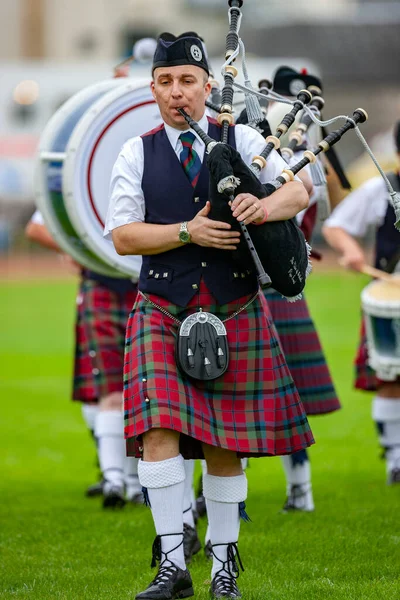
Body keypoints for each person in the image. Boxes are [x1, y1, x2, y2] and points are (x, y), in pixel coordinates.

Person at [105, 32, 313, 600]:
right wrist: (185, 231)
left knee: (226, 443)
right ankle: (173, 565)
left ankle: (224, 569)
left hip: (236, 305)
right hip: (162, 308)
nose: (178, 93)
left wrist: (265, 204)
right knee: (157, 433)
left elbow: (305, 186)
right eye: (166, 82)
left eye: (188, 82)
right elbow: (123, 235)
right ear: (153, 88)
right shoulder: (135, 152)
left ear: (208, 86)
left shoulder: (241, 137)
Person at [25, 210, 143, 507]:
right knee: (111, 389)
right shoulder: (86, 166)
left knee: (141, 392)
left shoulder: (146, 166)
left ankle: (131, 483)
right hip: (101, 285)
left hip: (147, 284)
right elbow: (36, 227)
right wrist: (75, 249)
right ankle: (114, 479)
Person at [322, 121, 400, 485]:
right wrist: (352, 250)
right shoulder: (381, 188)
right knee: (391, 379)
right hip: (391, 298)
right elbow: (335, 226)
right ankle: (395, 459)